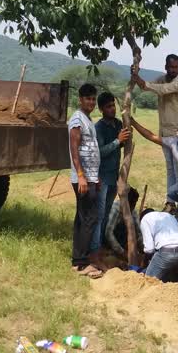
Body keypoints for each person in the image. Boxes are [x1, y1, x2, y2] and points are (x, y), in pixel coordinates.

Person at [131, 54, 178, 213]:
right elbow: (145, 86)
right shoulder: (161, 78)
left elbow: (162, 90)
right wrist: (136, 76)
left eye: (175, 67)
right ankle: (171, 202)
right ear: (165, 66)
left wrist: (141, 81)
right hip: (165, 133)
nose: (173, 70)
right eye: (170, 67)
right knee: (171, 169)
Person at [68, 83, 103, 278]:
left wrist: (94, 176)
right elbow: (75, 149)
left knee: (82, 218)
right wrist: (81, 176)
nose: (91, 102)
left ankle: (78, 260)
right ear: (80, 99)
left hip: (89, 177)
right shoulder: (77, 120)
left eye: (93, 99)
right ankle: (81, 264)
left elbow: (90, 148)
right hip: (82, 178)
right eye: (88, 98)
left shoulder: (87, 119)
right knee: (89, 218)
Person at [92, 92, 131, 255]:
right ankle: (95, 248)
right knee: (99, 214)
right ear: (101, 109)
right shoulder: (98, 128)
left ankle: (102, 242)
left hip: (113, 177)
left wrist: (124, 141)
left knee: (107, 212)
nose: (112, 109)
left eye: (113, 105)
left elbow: (120, 146)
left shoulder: (117, 124)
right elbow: (99, 152)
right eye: (108, 107)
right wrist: (118, 141)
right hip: (102, 178)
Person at [139, 208, 178, 283]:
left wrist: (148, 263)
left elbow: (149, 249)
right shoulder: (168, 216)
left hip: (166, 253)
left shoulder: (145, 220)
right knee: (176, 283)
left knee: (148, 281)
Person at [105, 187, 143, 258]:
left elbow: (139, 232)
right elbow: (108, 233)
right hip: (110, 241)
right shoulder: (115, 209)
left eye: (134, 204)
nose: (132, 207)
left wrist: (144, 249)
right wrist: (122, 252)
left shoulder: (133, 212)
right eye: (131, 204)